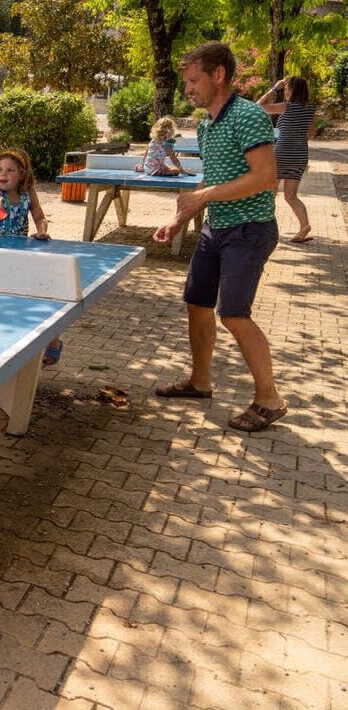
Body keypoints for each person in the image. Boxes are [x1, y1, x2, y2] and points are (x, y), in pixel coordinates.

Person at [153, 42, 286, 433]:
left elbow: (265, 177)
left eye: (194, 81)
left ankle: (269, 399)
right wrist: (181, 218)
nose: (188, 89)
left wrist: (205, 196)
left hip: (249, 230)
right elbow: (215, 179)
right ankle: (200, 382)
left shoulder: (247, 116)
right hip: (216, 228)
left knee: (233, 314)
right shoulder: (209, 125)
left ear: (219, 75)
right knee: (197, 303)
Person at [0, 148, 63, 366]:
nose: (4, 174)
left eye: (10, 170)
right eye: (0, 169)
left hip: (23, 256)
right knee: (0, 301)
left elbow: (39, 215)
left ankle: (54, 340)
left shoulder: (28, 193)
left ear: (22, 173)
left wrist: (42, 229)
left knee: (38, 298)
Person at [256, 76, 317, 243]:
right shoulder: (311, 109)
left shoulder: (286, 107)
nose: (285, 91)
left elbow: (257, 107)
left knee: (270, 192)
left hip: (281, 154)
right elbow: (310, 134)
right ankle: (304, 226)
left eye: (287, 89)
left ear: (293, 90)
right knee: (291, 196)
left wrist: (274, 89)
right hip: (300, 156)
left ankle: (263, 229)